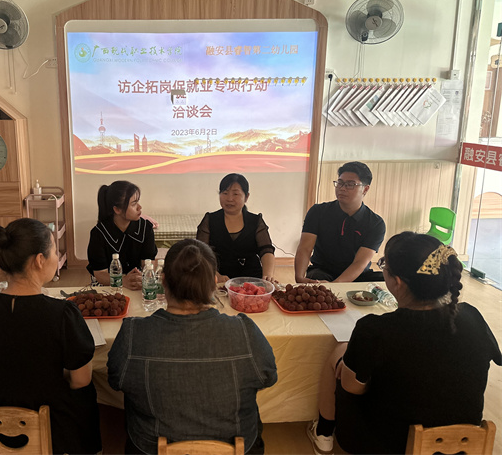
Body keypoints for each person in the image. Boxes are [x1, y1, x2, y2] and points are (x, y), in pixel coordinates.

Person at [307, 232, 501, 455]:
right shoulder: (472, 316)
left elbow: (352, 387)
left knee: (340, 351)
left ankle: (323, 434)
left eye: (384, 266)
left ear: (397, 282)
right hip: (462, 442)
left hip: (390, 443)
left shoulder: (374, 330)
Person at [108, 238, 277, 455]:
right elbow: (268, 377)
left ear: (163, 280)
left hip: (150, 448)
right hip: (237, 448)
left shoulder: (133, 333)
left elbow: (115, 380)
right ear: (214, 283)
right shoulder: (245, 330)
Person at [0, 218, 101, 455]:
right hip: (51, 424)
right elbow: (80, 380)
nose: (56, 257)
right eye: (54, 251)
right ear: (39, 260)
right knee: (86, 391)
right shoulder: (62, 313)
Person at [294, 161, 385, 283]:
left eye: (350, 184)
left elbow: (360, 262)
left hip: (357, 274)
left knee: (384, 281)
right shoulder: (318, 212)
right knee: (316, 278)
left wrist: (335, 285)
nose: (342, 188)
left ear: (365, 189)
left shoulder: (375, 223)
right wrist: (299, 278)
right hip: (323, 271)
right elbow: (305, 248)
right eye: (340, 183)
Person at [196, 174, 277, 283]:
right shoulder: (210, 220)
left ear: (246, 197)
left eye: (235, 194)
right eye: (225, 193)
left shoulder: (255, 220)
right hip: (219, 278)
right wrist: (214, 274)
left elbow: (266, 250)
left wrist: (268, 275)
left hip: (252, 278)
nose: (229, 199)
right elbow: (201, 252)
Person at [87, 180, 157, 290]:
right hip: (108, 283)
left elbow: (148, 263)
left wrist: (141, 277)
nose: (139, 207)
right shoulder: (99, 234)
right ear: (117, 209)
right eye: (134, 204)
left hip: (136, 281)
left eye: (138, 202)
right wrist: (122, 280)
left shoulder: (145, 228)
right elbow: (100, 274)